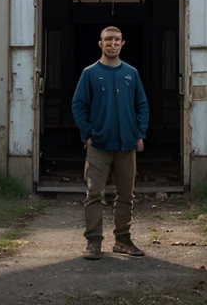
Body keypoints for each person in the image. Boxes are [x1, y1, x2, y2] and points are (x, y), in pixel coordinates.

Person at [71, 25, 150, 260]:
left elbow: (142, 105)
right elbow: (78, 105)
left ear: (122, 43)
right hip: (99, 146)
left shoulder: (131, 74)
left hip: (127, 145)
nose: (112, 43)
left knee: (126, 194)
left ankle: (123, 241)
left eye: (116, 40)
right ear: (100, 43)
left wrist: (140, 134)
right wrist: (88, 132)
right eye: (108, 40)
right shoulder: (90, 73)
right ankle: (93, 243)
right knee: (94, 194)